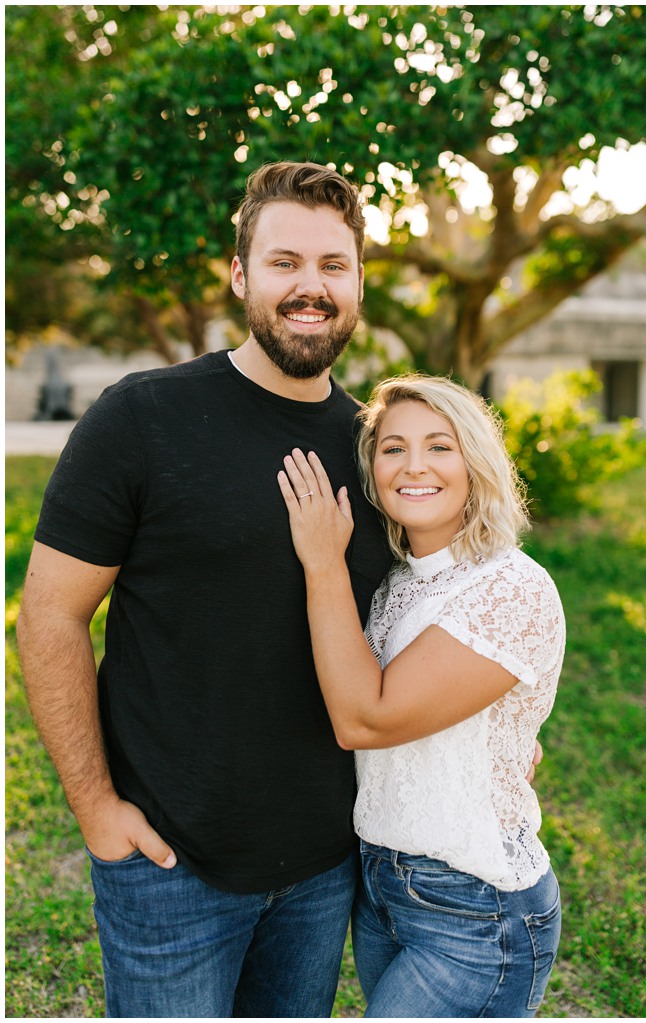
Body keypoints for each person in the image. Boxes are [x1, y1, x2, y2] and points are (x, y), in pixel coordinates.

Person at [15, 162, 393, 1016]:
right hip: (168, 866)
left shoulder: (379, 449)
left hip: (325, 869)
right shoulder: (141, 418)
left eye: (335, 265)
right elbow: (50, 615)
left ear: (359, 281)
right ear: (239, 275)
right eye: (285, 262)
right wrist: (97, 809)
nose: (311, 287)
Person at [276, 373, 565, 1018]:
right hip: (382, 887)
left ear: (475, 462)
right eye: (392, 448)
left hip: (475, 906)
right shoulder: (397, 584)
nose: (414, 466)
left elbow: (364, 718)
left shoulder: (508, 588)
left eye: (440, 446)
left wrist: (321, 562)